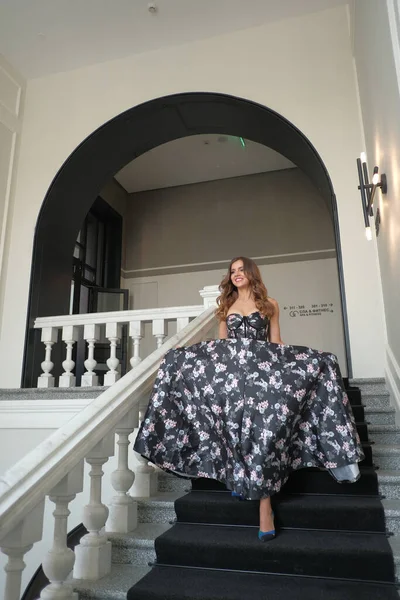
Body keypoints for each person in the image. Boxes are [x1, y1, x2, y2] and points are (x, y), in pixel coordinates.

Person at [134, 256, 364, 542]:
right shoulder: (225, 307)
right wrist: (185, 357)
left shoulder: (270, 305)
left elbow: (276, 343)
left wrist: (308, 362)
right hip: (232, 381)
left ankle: (265, 506)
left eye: (242, 270)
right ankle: (240, 479)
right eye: (232, 271)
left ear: (252, 273)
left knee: (262, 432)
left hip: (261, 380)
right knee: (229, 426)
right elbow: (221, 348)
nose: (236, 274)